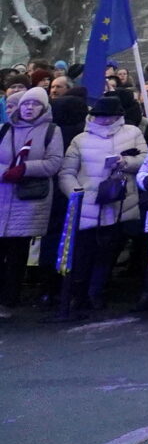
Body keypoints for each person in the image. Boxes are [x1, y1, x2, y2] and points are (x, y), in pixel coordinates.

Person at [58, 95, 146, 318]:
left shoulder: (133, 133)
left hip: (118, 202)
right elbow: (67, 172)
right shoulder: (80, 139)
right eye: (101, 116)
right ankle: (78, 293)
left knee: (108, 251)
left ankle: (96, 292)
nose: (105, 120)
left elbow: (146, 159)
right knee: (84, 251)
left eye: (109, 116)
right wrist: (75, 193)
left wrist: (126, 162)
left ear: (118, 116)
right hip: (87, 202)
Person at [1, 87, 67, 312]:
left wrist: (25, 169)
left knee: (17, 254)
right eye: (26, 104)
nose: (29, 108)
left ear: (44, 107)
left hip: (28, 199)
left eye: (35, 104)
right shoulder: (6, 129)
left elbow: (53, 162)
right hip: (3, 194)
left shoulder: (51, 131)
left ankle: (9, 299)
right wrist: (6, 171)